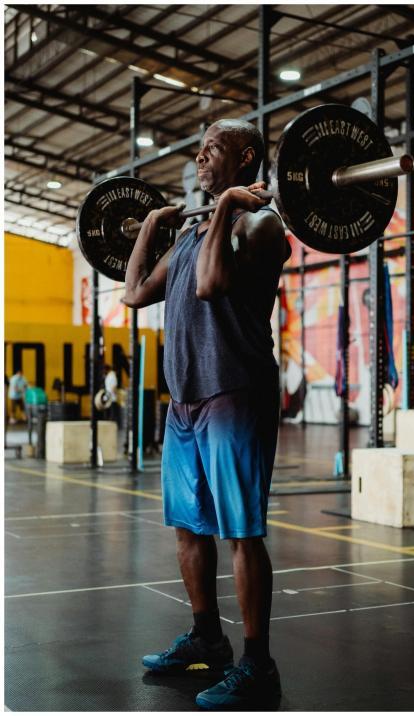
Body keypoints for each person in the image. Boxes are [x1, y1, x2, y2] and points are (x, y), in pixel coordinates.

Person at [122, 118, 291, 710]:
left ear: (245, 158)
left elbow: (210, 285)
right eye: (196, 152)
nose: (198, 159)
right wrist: (148, 225)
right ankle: (206, 637)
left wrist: (220, 209)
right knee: (189, 527)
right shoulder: (193, 233)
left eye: (210, 151)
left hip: (235, 394)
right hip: (185, 400)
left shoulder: (262, 225)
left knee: (241, 531)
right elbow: (135, 291)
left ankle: (258, 664)